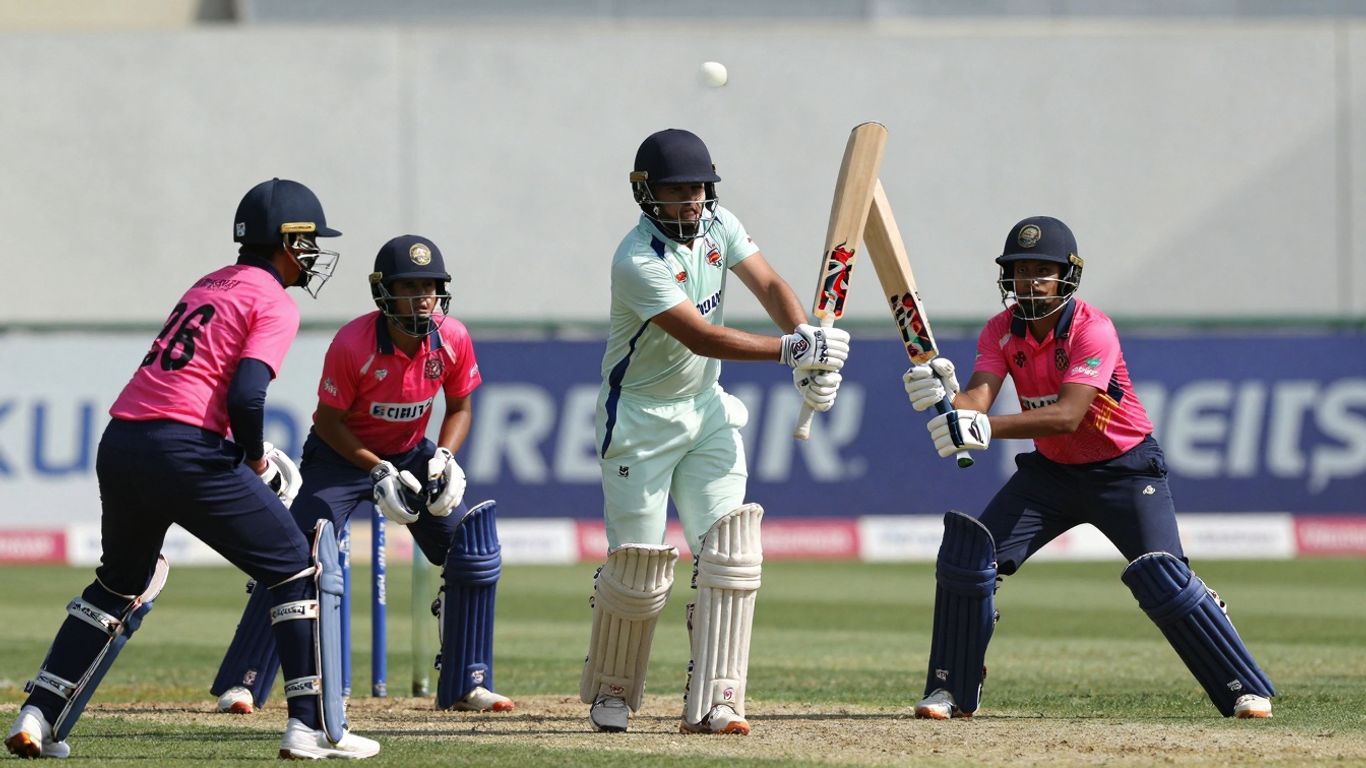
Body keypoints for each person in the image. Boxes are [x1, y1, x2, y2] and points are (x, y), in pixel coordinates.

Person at [4, 178, 381, 759]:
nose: (313, 255)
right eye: (308, 241)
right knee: (293, 564)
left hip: (123, 441)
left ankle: (37, 714)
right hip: (183, 449)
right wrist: (254, 458)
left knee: (120, 583)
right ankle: (308, 727)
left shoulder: (210, 282)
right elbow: (248, 394)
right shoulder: (273, 300)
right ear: (286, 239)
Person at [901, 215, 1275, 720]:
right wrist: (949, 397)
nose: (1030, 280)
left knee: (1166, 579)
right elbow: (979, 396)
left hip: (1126, 469)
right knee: (970, 559)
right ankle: (952, 686)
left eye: (1042, 269)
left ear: (1066, 276)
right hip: (1050, 477)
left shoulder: (1091, 328)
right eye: (1020, 269)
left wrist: (983, 427)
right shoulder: (999, 331)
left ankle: (1242, 689)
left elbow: (1068, 415)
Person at [578, 128, 850, 736]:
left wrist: (808, 348)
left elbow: (774, 287)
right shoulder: (636, 260)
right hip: (639, 419)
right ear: (646, 194)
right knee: (638, 569)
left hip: (706, 410)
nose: (692, 201)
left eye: (699, 188)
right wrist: (792, 350)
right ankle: (614, 690)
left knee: (730, 553)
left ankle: (718, 699)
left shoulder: (721, 224)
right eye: (677, 191)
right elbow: (700, 337)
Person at [210, 234, 513, 716]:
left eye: (430, 286)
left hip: (414, 455)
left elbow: (460, 408)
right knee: (297, 551)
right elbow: (328, 422)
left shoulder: (451, 337)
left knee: (470, 553)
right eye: (409, 287)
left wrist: (446, 458)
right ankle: (244, 682)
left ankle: (467, 683)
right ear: (383, 292)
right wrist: (376, 470)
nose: (422, 298)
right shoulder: (354, 343)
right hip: (341, 456)